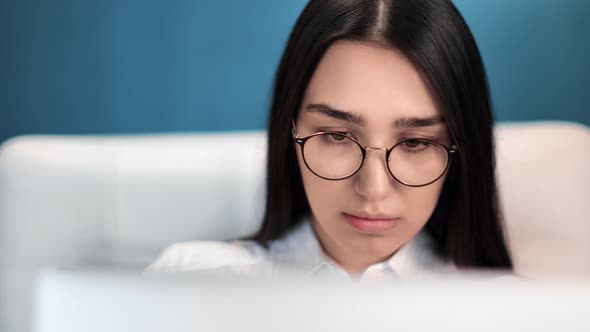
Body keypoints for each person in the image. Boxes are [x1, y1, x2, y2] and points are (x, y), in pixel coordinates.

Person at [147, 0, 512, 280]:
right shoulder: (189, 278)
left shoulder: (512, 311)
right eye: (337, 135)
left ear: (463, 149)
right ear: (290, 134)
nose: (373, 189)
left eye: (415, 142)